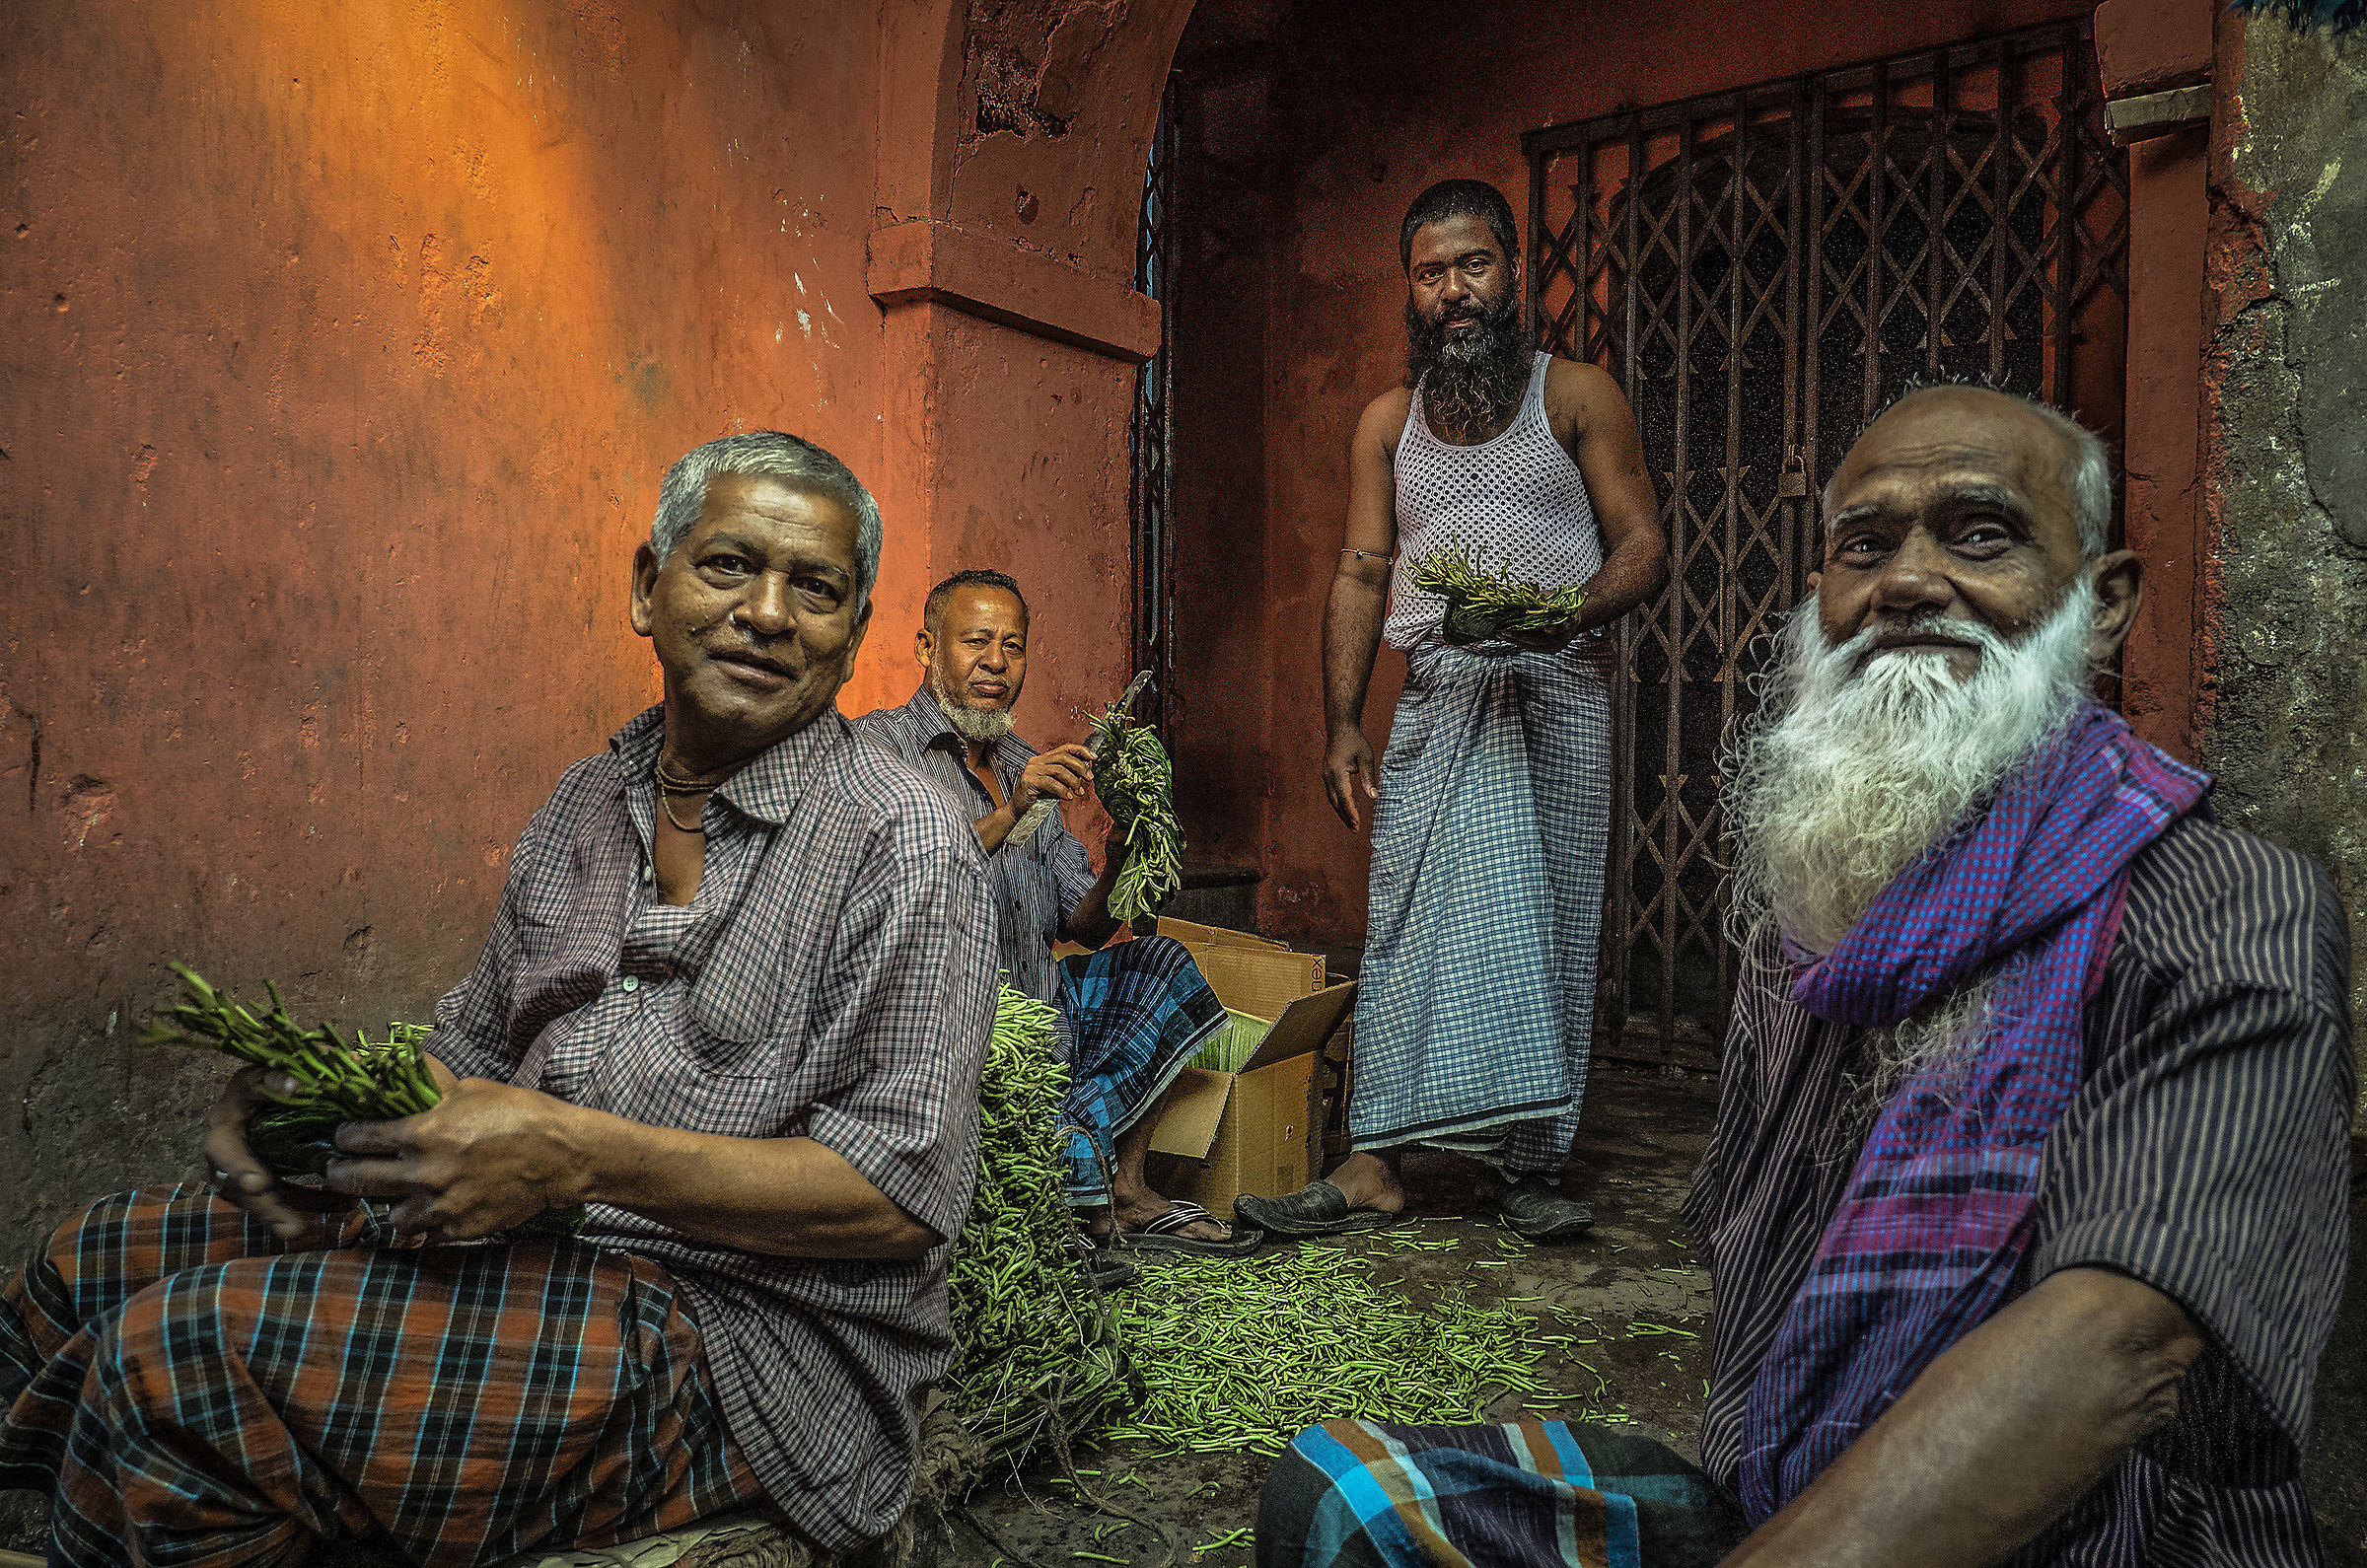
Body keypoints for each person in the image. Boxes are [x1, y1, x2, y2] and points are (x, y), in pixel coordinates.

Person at [1255, 384, 2352, 1567]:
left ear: (2103, 604)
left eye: (1980, 535)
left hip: (2097, 1539)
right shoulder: (1821, 905)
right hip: (1787, 1484)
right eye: (1863, 547)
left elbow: (2122, 1344)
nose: (1910, 583)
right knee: (1343, 1500)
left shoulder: (2227, 907)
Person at [0, 432, 1001, 1566]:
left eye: (814, 589)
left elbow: (903, 1199)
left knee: (169, 1367)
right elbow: (463, 1059)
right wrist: (322, 1103)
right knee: (83, 1262)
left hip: (745, 1340)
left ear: (855, 632)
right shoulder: (585, 801)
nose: (769, 613)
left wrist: (579, 1158)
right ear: (647, 587)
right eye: (729, 565)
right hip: (535, 1245)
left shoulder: (904, 840)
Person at [1239, 178, 1666, 1246]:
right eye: (1431, 274)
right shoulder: (1387, 424)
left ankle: (1528, 1167)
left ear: (1513, 272)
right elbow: (1361, 567)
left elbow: (1644, 548)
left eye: (1473, 266)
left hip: (1556, 692)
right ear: (1411, 292)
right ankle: (1376, 1162)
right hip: (1440, 699)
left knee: (1549, 922)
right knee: (1407, 919)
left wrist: (1558, 614)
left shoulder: (1576, 398)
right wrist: (1342, 724)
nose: (1454, 291)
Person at [856, 570, 1255, 1260]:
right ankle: (1079, 1168)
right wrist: (1011, 810)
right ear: (926, 647)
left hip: (1048, 1020)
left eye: (1013, 646)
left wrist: (1125, 848)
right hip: (952, 1029)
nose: (996, 662)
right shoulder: (879, 752)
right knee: (1059, 1184)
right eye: (976, 641)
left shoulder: (1027, 759)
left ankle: (1123, 1184)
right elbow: (896, 880)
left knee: (1163, 966)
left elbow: (1086, 924)